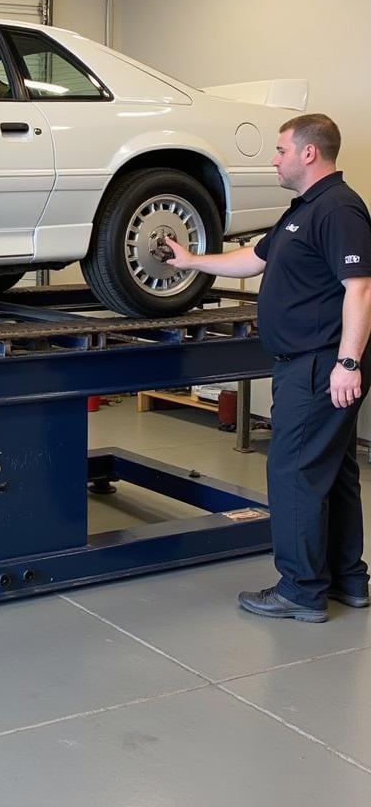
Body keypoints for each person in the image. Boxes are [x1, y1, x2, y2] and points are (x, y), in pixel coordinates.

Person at [164, 113, 371, 622]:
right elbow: (253, 258)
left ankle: (300, 591)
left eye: (280, 151)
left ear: (308, 153)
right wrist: (193, 261)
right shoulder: (303, 210)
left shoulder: (339, 210)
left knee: (294, 473)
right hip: (311, 362)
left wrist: (347, 362)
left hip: (319, 365)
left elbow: (360, 289)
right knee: (333, 472)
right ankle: (349, 580)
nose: (274, 160)